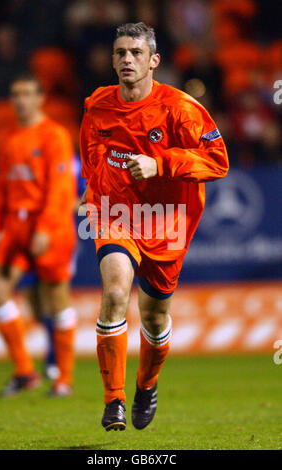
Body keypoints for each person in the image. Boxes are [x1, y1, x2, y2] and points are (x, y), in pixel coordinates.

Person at [80, 22, 229, 431]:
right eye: (120, 53)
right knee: (114, 292)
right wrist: (91, 188)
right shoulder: (98, 105)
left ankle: (147, 384)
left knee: (155, 316)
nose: (127, 59)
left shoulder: (181, 108)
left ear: (153, 61)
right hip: (118, 213)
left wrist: (160, 163)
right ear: (113, 60)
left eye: (136, 53)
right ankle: (114, 401)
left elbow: (218, 162)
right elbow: (91, 149)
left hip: (166, 222)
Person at [0, 74, 77, 397]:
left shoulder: (55, 136)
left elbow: (60, 188)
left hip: (48, 226)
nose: (20, 100)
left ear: (40, 99)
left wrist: (46, 228)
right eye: (15, 94)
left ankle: (63, 378)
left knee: (55, 299)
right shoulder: (9, 141)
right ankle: (24, 371)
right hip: (14, 228)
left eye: (26, 94)